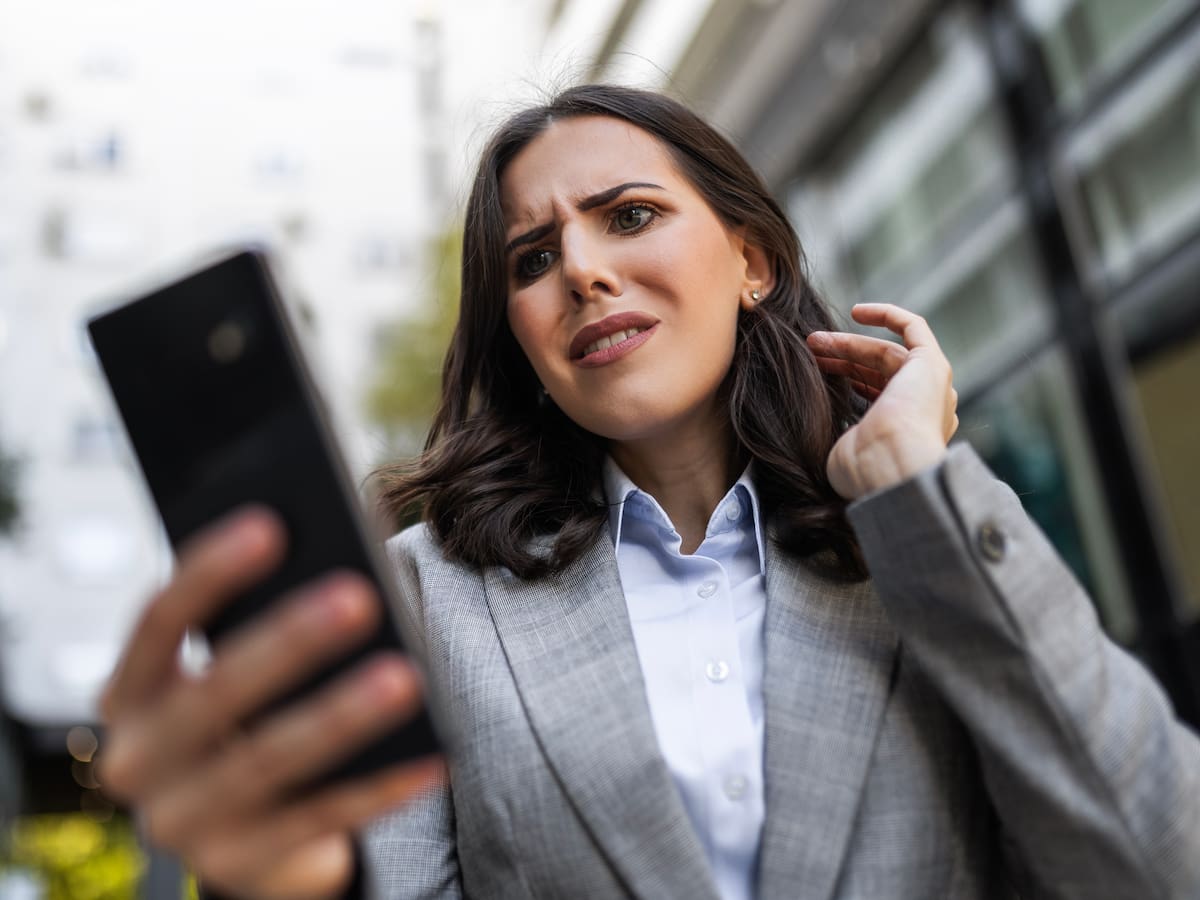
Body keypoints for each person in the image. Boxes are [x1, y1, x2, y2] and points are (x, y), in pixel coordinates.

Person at [98, 84, 1200, 899]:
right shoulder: (427, 596)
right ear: (520, 338)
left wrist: (922, 493)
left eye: (627, 215)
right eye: (531, 260)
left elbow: (1154, 860)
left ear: (751, 260)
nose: (581, 269)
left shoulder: (920, 541)